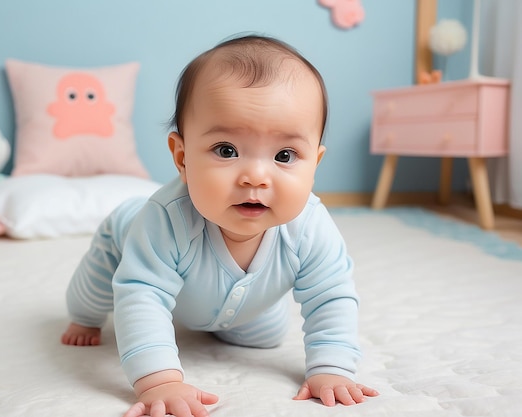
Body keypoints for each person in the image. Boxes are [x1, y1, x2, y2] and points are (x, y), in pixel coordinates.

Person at [61, 34, 378, 417]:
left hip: (239, 302)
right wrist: (159, 380)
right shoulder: (164, 219)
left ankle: (228, 317)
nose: (256, 177)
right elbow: (142, 296)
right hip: (123, 239)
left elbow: (331, 297)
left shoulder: (310, 226)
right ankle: (84, 315)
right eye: (226, 150)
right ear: (182, 157)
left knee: (266, 336)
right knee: (88, 301)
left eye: (285, 155)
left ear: (315, 164)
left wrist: (331, 369)